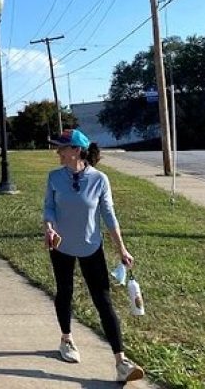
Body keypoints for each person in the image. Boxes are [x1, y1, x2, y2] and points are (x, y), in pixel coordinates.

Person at [43, 128, 145, 383]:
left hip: (91, 246)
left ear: (76, 150)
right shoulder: (54, 177)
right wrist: (49, 225)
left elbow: (109, 215)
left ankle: (121, 361)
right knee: (64, 291)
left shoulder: (100, 179)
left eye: (62, 148)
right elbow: (49, 206)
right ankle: (66, 340)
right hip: (61, 246)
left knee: (103, 301)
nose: (58, 151)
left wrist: (121, 248)